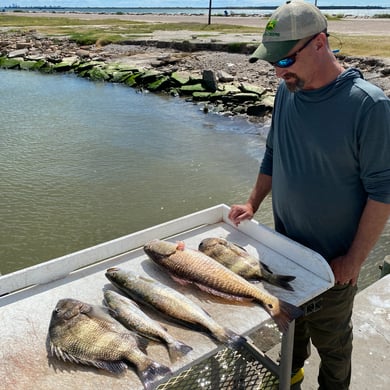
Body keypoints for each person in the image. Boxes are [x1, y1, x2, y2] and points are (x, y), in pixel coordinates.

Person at [228, 1, 390, 389]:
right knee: (291, 337)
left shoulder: (369, 106)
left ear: (319, 43)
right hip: (282, 252)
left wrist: (352, 260)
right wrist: (253, 202)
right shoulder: (288, 91)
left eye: (284, 60)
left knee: (333, 347)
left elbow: (383, 193)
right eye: (272, 62)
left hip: (332, 266)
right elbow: (273, 152)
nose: (277, 71)